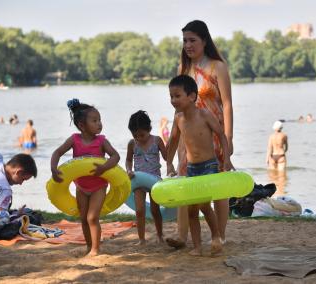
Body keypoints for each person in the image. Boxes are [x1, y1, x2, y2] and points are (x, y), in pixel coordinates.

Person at [166, 19, 234, 249]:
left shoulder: (217, 67)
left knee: (218, 185)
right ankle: (181, 234)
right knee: (186, 182)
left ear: (204, 41)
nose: (188, 45)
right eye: (185, 40)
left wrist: (229, 136)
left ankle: (220, 235)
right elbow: (177, 103)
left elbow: (227, 103)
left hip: (213, 132)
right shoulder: (183, 69)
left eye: (192, 40)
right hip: (189, 135)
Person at [50, 98, 120, 256]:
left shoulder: (101, 141)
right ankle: (89, 247)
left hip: (98, 186)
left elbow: (115, 156)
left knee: (92, 217)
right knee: (83, 219)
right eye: (95, 120)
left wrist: (104, 167)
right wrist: (54, 168)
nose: (99, 123)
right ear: (82, 125)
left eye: (100, 120)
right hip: (81, 187)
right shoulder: (74, 140)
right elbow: (57, 152)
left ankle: (96, 249)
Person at [126, 110, 167, 245]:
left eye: (142, 135)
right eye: (135, 135)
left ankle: (160, 235)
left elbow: (168, 157)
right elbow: (128, 160)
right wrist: (128, 170)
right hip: (138, 181)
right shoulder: (132, 144)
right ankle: (141, 239)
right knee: (139, 210)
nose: (139, 138)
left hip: (155, 180)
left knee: (155, 210)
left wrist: (172, 168)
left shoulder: (157, 140)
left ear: (149, 129)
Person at [0, 152, 37, 219]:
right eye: (23, 179)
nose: (21, 183)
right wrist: (17, 215)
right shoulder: (5, 189)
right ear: (18, 172)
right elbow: (1, 218)